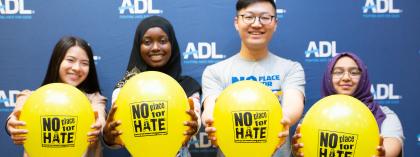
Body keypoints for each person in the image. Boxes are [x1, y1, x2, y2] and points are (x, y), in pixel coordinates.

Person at [201, 0, 305, 156]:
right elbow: (210, 107)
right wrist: (209, 119)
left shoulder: (291, 68)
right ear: (237, 22)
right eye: (248, 17)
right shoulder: (215, 71)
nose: (257, 24)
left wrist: (284, 119)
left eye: (265, 17)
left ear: (275, 23)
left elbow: (293, 104)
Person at [102, 16, 202, 157]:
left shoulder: (188, 86)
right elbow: (118, 137)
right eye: (147, 42)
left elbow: (195, 122)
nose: (155, 48)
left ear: (172, 44)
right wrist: (108, 137)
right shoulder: (125, 88)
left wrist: (194, 126)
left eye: (163, 41)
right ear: (138, 46)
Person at [5, 36, 107, 157]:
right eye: (70, 60)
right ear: (57, 61)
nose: (77, 68)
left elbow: (100, 119)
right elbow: (15, 117)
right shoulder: (30, 97)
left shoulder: (94, 99)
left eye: (84, 63)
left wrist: (100, 127)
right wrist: (11, 124)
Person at [291, 52, 404, 157]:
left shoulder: (384, 115)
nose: (346, 78)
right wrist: (298, 152)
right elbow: (304, 147)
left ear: (363, 77)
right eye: (338, 72)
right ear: (329, 78)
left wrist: (383, 153)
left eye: (354, 72)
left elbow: (393, 143)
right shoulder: (314, 116)